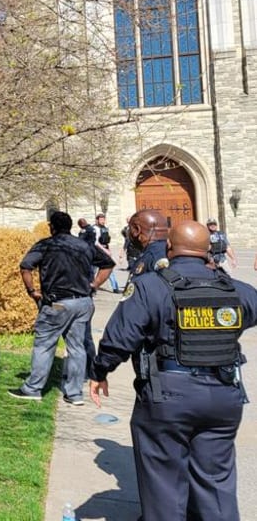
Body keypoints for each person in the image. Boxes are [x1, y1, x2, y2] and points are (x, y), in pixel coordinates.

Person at [90, 220, 257, 520]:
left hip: (169, 397)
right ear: (209, 251)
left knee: (164, 486)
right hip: (223, 396)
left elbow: (120, 336)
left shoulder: (151, 287)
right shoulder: (236, 290)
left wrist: (100, 371)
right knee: (216, 484)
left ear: (169, 248)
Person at [10, 211, 114, 405]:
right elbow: (108, 264)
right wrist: (95, 284)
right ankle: (74, 394)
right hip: (83, 302)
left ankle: (33, 388)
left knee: (44, 345)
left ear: (52, 227)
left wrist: (32, 291)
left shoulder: (46, 245)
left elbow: (26, 267)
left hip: (57, 303)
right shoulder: (84, 245)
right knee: (77, 347)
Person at [126, 209, 169, 280]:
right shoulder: (167, 250)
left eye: (130, 229)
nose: (129, 233)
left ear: (137, 230)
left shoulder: (153, 256)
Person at [93, 213, 120, 294]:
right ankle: (92, 287)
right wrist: (105, 250)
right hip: (97, 250)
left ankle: (115, 287)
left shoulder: (105, 228)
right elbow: (96, 242)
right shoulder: (95, 229)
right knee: (93, 271)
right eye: (101, 219)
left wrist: (109, 250)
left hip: (105, 249)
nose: (103, 221)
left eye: (104, 219)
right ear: (97, 220)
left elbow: (106, 241)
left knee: (109, 268)